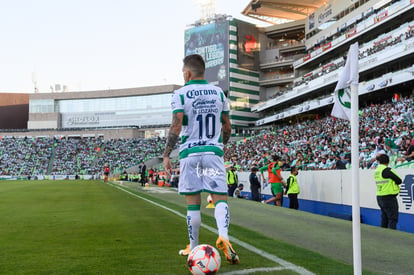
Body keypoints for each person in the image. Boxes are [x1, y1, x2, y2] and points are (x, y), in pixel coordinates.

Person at [163, 54, 239, 264]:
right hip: (212, 152)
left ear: (187, 73)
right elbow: (227, 127)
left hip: (190, 154)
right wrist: (220, 145)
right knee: (219, 198)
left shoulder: (180, 94)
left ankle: (194, 247)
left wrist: (167, 154)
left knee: (193, 204)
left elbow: (176, 126)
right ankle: (224, 235)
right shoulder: (219, 94)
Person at [374, 154, 402, 229]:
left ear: (379, 161)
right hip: (388, 196)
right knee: (392, 218)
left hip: (380, 195)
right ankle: (392, 236)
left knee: (384, 217)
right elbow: (399, 180)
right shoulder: (387, 170)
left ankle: (383, 237)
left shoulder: (377, 170)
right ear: (388, 161)